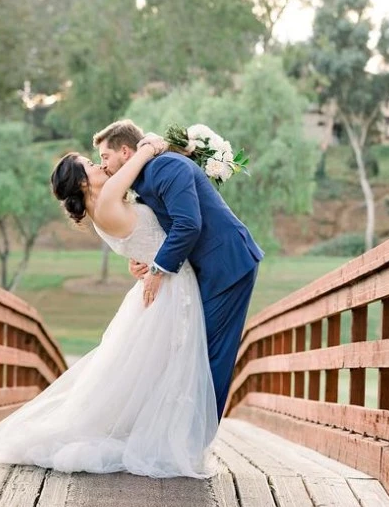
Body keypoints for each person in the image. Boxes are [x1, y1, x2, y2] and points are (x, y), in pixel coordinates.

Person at [0, 141, 218, 478]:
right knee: (167, 364)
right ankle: (159, 435)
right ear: (82, 182)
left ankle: (150, 428)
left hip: (161, 282)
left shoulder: (101, 213)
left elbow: (139, 237)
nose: (99, 165)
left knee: (152, 367)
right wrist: (155, 144)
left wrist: (143, 261)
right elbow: (141, 156)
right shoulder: (110, 196)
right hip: (167, 285)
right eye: (90, 163)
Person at [94, 120, 264, 421]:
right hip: (205, 267)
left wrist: (158, 270)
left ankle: (197, 435)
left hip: (228, 264)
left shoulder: (165, 167)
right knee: (195, 351)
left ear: (125, 151)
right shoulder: (143, 179)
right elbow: (164, 227)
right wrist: (143, 259)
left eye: (105, 157)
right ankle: (184, 430)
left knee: (211, 354)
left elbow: (188, 224)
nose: (103, 165)